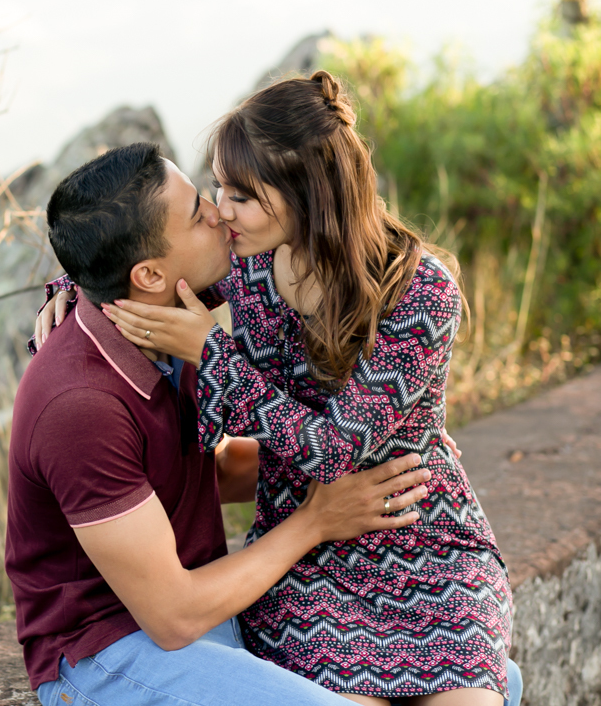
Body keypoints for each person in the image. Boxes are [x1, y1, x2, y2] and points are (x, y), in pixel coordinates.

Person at [34, 72, 515, 704]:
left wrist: (214, 355)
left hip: (423, 539)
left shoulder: (420, 293)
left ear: (307, 197)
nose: (219, 210)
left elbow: (334, 450)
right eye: (218, 186)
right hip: (306, 564)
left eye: (242, 195)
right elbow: (142, 271)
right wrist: (73, 290)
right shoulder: (248, 265)